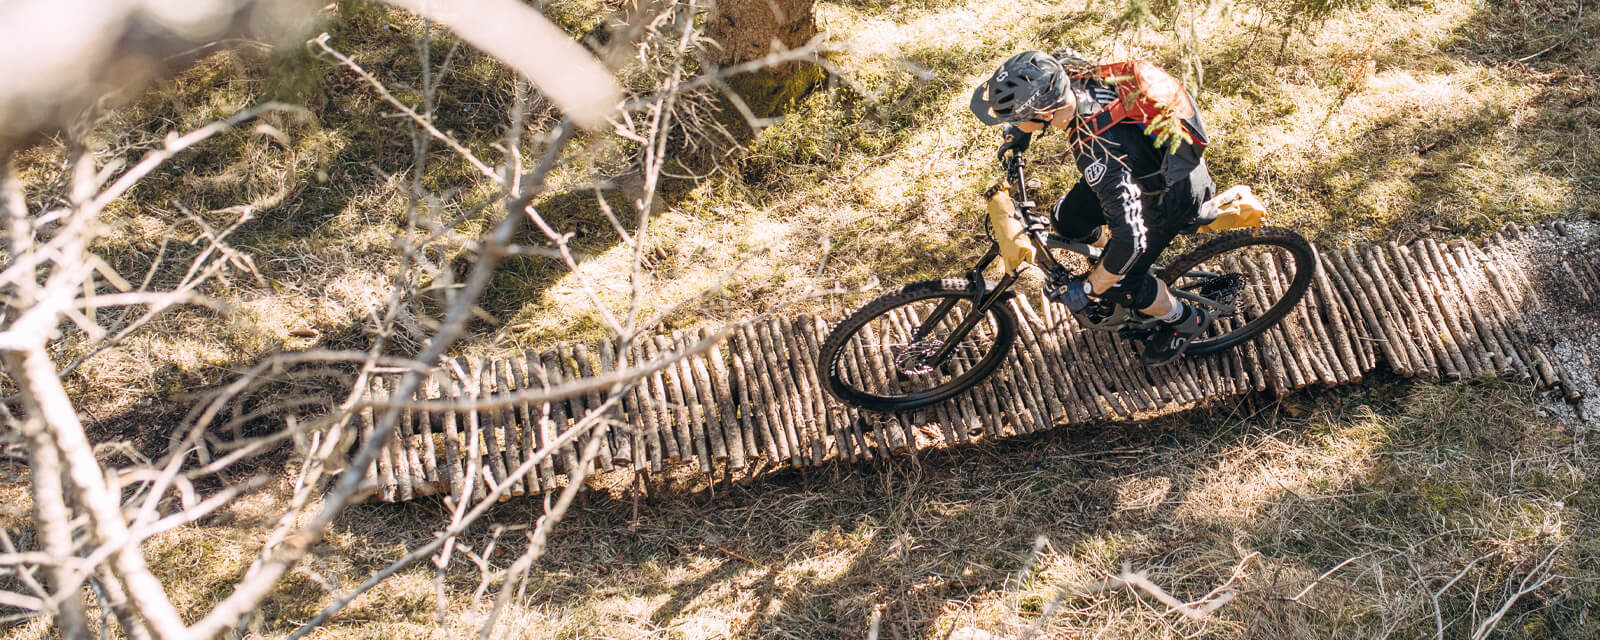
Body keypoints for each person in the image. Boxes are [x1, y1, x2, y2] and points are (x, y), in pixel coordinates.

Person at [968, 49, 1217, 365]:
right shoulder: (1068, 75)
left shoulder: (1099, 155)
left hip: (1169, 195)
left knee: (1122, 285)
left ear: (1045, 113)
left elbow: (1132, 240)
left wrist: (1089, 288)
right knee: (1066, 219)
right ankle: (1110, 262)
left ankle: (1186, 320)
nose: (1010, 123)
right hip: (1143, 167)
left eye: (1014, 117)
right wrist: (1021, 133)